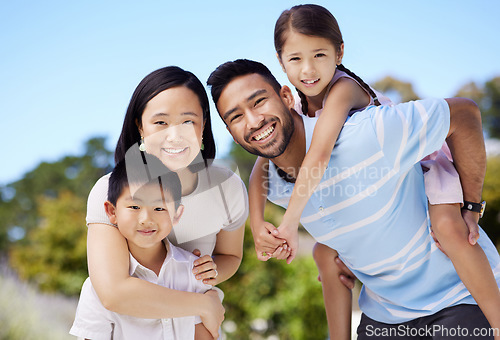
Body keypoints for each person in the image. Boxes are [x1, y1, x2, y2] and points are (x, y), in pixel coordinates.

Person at [246, 4, 500, 337]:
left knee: (448, 227)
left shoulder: (342, 90)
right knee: (325, 251)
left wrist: (290, 223)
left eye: (319, 55)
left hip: (425, 169)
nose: (308, 70)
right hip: (388, 195)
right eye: (295, 59)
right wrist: (256, 223)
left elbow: (320, 154)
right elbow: (258, 171)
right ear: (281, 61)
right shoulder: (295, 106)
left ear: (338, 53)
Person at [86, 66, 248, 339]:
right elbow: (114, 293)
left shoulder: (227, 186)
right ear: (140, 126)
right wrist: (203, 304)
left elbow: (231, 256)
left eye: (188, 121)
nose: (175, 136)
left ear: (203, 124)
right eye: (160, 123)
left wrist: (211, 270)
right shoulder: (108, 191)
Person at [71, 155, 216, 339]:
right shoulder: (97, 287)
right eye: (134, 206)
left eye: (159, 208)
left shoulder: (194, 271)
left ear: (177, 215)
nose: (146, 219)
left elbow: (205, 334)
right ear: (111, 212)